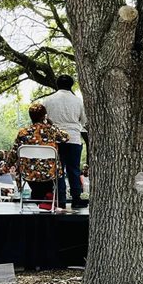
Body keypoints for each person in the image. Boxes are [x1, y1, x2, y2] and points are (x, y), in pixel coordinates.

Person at [37, 74, 88, 208]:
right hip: (74, 138)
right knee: (74, 170)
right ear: (71, 85)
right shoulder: (78, 101)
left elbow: (42, 119)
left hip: (55, 139)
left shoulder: (48, 100)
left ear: (57, 84)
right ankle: (76, 198)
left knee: (58, 170)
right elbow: (83, 121)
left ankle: (61, 199)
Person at [8, 102, 69, 207]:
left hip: (28, 173)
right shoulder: (51, 130)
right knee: (48, 171)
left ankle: (41, 197)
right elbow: (66, 137)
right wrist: (51, 124)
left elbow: (14, 153)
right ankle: (46, 197)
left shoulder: (23, 132)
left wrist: (5, 168)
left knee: (33, 174)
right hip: (49, 173)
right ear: (44, 116)